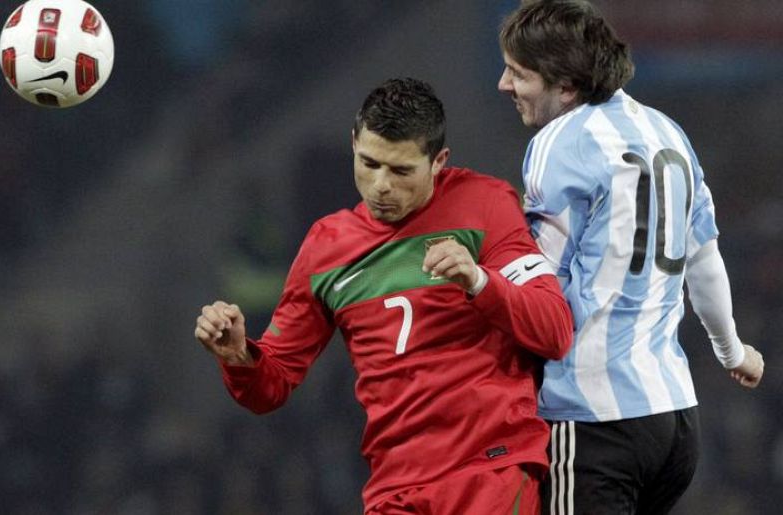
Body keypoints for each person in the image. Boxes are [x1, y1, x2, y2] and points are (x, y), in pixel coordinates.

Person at [194, 77, 574, 514]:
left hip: (488, 469)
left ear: (439, 162)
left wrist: (479, 282)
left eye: (400, 170)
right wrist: (239, 356)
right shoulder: (327, 248)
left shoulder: (485, 205)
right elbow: (270, 387)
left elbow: (554, 330)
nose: (380, 186)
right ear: (353, 143)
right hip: (395, 489)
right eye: (369, 163)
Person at [495, 2, 765, 514]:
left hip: (594, 421)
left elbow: (542, 290)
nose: (504, 85)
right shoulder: (669, 132)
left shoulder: (558, 142)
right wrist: (731, 351)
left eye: (518, 73)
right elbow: (703, 258)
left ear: (566, 86)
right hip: (675, 422)